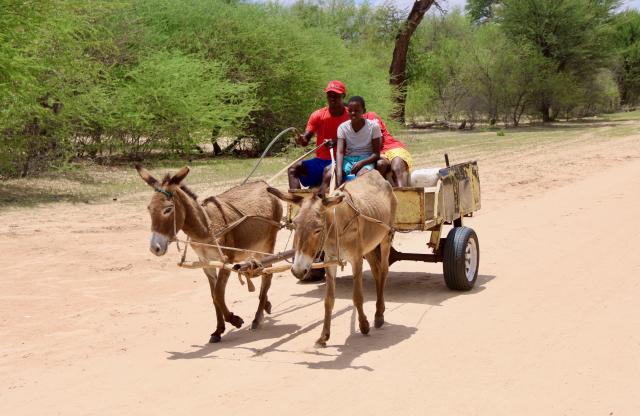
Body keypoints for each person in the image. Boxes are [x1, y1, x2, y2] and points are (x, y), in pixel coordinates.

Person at [288, 80, 349, 190]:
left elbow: (359, 140)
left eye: (336, 95)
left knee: (330, 172)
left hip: (344, 160)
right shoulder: (317, 115)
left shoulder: (351, 115)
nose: (332, 98)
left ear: (343, 96)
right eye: (329, 95)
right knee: (293, 169)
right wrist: (301, 139)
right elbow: (306, 140)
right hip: (321, 161)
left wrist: (337, 141)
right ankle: (296, 203)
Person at [336, 96, 381, 185]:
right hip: (348, 159)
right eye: (350, 110)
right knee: (330, 173)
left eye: (356, 110)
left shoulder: (373, 127)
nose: (353, 113)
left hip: (366, 159)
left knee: (362, 176)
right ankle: (329, 196)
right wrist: (338, 172)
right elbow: (340, 152)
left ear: (363, 111)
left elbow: (376, 154)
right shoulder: (342, 127)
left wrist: (361, 163)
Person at [363, 111, 413, 187]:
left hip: (391, 147)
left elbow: (379, 138)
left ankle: (403, 195)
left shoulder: (370, 116)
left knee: (396, 168)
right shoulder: (347, 125)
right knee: (380, 164)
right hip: (377, 153)